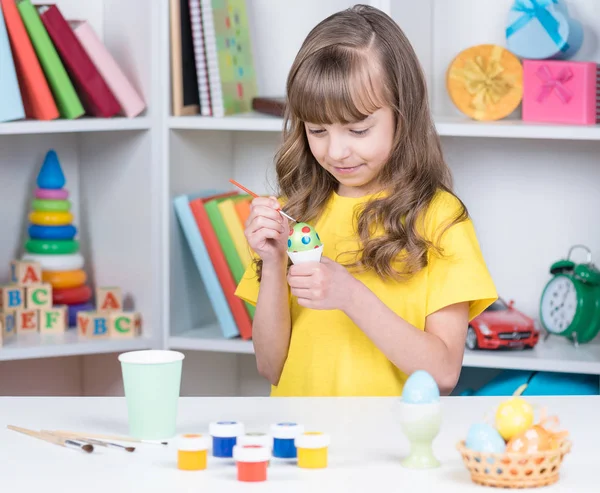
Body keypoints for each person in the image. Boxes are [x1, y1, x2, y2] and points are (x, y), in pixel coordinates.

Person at [234, 4, 497, 397]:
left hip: (391, 447)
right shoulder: (297, 212)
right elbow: (270, 366)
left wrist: (351, 295)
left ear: (402, 116)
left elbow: (443, 373)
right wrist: (272, 263)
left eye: (358, 129)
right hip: (301, 445)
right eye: (317, 129)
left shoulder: (440, 219)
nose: (336, 151)